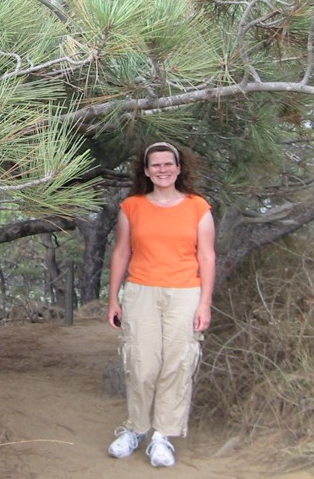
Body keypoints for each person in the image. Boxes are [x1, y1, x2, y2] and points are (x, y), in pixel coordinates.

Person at [105, 141, 216, 468]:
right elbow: (121, 253)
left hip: (185, 293)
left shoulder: (198, 207)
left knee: (177, 364)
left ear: (180, 169)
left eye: (169, 164)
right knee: (141, 364)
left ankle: (162, 437)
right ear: (146, 170)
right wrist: (114, 298)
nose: (163, 170)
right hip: (141, 292)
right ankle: (136, 429)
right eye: (156, 165)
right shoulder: (132, 207)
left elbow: (207, 256)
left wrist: (205, 303)